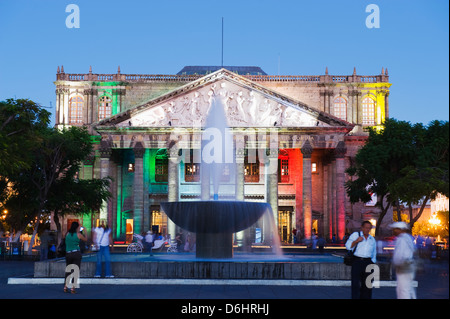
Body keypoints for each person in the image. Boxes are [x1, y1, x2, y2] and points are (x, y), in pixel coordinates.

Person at [345, 220, 377, 299]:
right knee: (356, 284)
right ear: (362, 228)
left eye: (369, 228)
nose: (367, 230)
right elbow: (348, 246)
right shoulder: (356, 235)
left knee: (368, 285)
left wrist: (373, 262)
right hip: (358, 261)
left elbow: (374, 252)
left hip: (368, 262)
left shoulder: (372, 239)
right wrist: (356, 241)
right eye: (366, 228)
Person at [390, 221, 417, 299]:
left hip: (403, 266)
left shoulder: (401, 239)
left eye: (395, 229)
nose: (393, 231)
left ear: (400, 229)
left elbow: (399, 255)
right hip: (409, 265)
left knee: (403, 290)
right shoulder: (408, 238)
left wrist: (395, 263)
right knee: (409, 288)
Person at [64, 221, 87, 294]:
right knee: (75, 270)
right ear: (77, 227)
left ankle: (65, 286)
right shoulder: (78, 234)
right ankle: (73, 288)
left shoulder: (67, 234)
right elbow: (85, 239)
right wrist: (85, 231)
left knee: (68, 270)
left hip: (68, 253)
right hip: (76, 253)